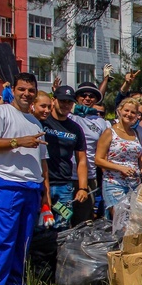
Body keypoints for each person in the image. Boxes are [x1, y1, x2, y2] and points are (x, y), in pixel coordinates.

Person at [0, 72, 52, 285]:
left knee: (23, 241)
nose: (26, 94)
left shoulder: (35, 121)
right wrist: (17, 141)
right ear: (14, 90)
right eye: (22, 89)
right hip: (5, 183)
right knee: (2, 238)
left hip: (31, 187)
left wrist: (44, 193)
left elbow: (42, 162)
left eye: (31, 90)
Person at [41, 86, 88, 229]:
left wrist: (83, 188)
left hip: (64, 187)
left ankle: (60, 251)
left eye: (69, 102)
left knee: (63, 225)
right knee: (41, 225)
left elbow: (82, 160)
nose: (66, 105)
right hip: (42, 185)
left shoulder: (75, 128)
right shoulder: (42, 122)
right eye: (62, 101)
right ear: (54, 100)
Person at [69, 81, 110, 223]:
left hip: (89, 175)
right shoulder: (69, 116)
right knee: (62, 218)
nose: (87, 98)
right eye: (83, 95)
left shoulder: (101, 122)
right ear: (76, 97)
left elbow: (104, 151)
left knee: (84, 220)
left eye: (91, 96)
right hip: (65, 175)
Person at [95, 98, 142, 211]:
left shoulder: (136, 133)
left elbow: (138, 156)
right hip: (114, 183)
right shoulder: (109, 132)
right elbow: (98, 159)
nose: (129, 114)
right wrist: (120, 168)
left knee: (133, 222)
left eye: (133, 112)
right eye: (126, 110)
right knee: (120, 221)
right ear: (119, 111)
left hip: (134, 184)